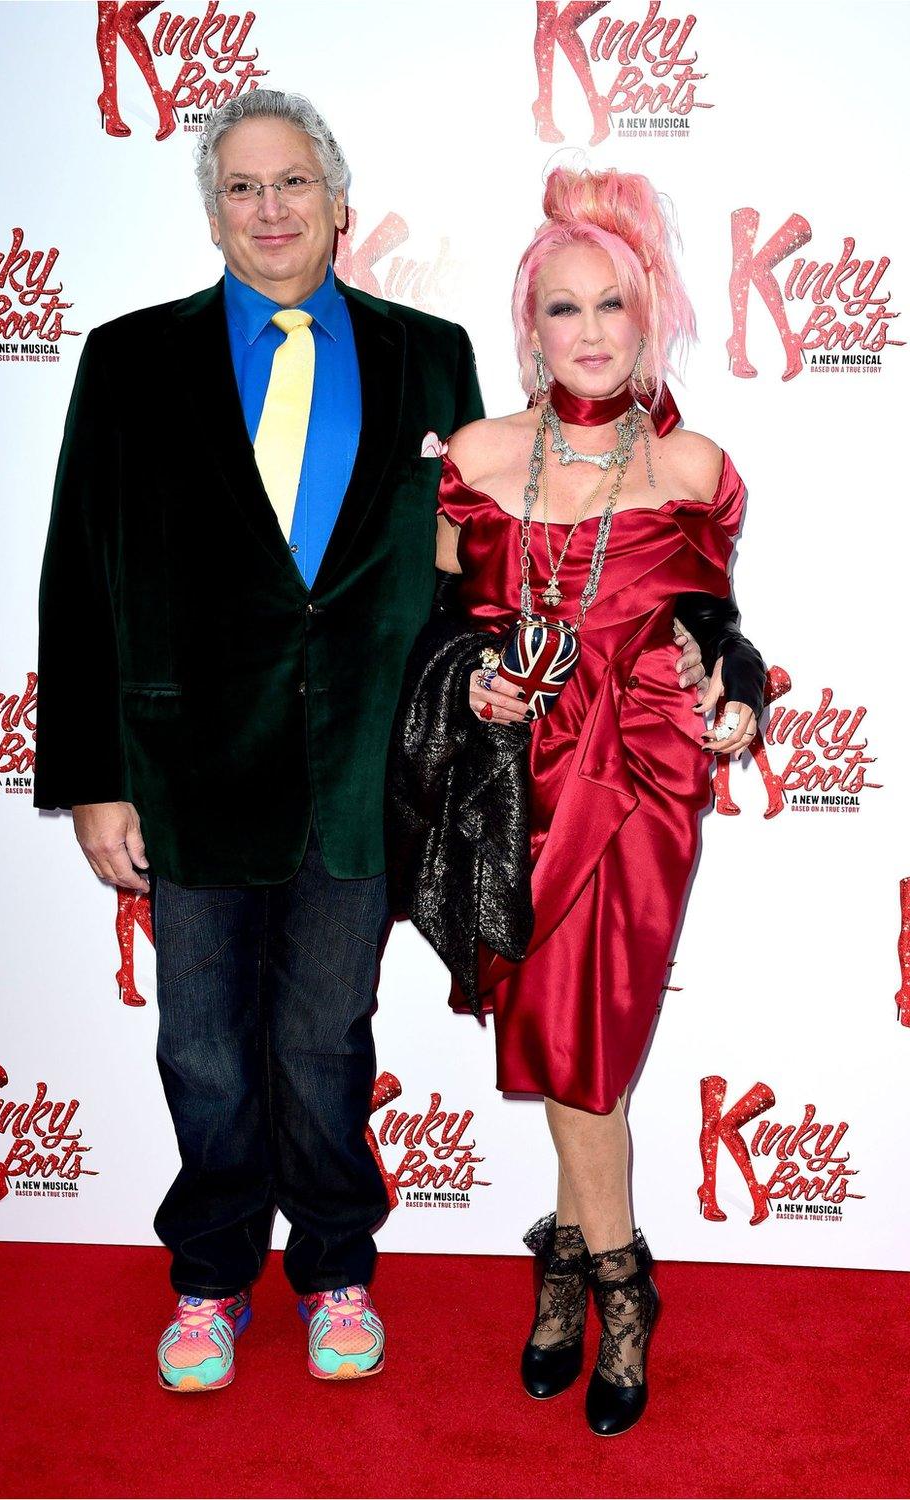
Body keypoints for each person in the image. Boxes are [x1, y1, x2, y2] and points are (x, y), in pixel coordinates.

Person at [33, 87, 489, 1392]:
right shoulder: (130, 360)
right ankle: (212, 1275)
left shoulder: (429, 355)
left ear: (338, 202)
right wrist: (94, 780)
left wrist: (465, 741)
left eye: (294, 183)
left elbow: (468, 572)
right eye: (243, 187)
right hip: (189, 770)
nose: (272, 209)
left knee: (324, 1037)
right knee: (205, 1044)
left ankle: (339, 1263)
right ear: (213, 209)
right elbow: (83, 572)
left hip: (363, 772)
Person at [422, 166, 765, 1435]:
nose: (589, 332)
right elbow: (433, 635)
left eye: (611, 304)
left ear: (651, 312)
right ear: (531, 329)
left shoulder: (691, 466)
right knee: (564, 1051)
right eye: (562, 310)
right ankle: (571, 1266)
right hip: (512, 798)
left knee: (589, 1056)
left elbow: (716, 628)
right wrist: (472, 689)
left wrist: (736, 692)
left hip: (637, 787)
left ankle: (613, 1287)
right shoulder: (476, 460)